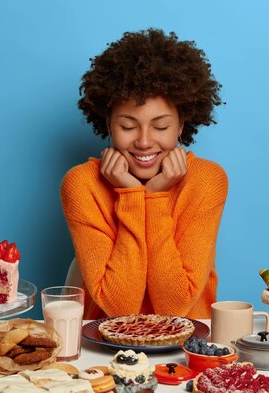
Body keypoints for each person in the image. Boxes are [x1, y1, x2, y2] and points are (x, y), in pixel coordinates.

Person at [61, 28, 228, 319]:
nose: (144, 141)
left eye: (161, 127)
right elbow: (119, 306)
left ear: (180, 126)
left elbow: (174, 307)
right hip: (101, 354)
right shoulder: (82, 184)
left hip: (187, 353)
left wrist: (154, 197)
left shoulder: (207, 181)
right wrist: (133, 196)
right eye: (128, 126)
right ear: (109, 125)